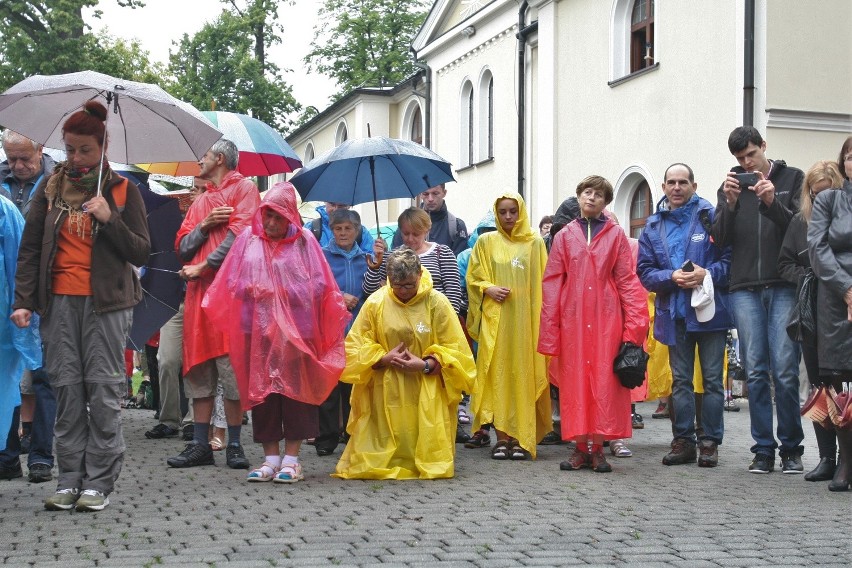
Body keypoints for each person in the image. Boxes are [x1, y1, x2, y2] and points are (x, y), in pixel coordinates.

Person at [11, 101, 151, 511]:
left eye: (84, 150)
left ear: (103, 148)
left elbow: (141, 252)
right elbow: (30, 249)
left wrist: (110, 218)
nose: (75, 158)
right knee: (67, 390)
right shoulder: (49, 189)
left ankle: (100, 482)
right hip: (58, 303)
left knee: (103, 391)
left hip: (107, 305)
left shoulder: (124, 191)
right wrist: (24, 301)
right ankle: (69, 479)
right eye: (69, 149)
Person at [203, 182, 350, 483]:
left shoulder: (305, 242)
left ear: (290, 217)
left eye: (278, 217)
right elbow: (230, 280)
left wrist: (281, 290)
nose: (270, 223)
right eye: (267, 215)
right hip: (256, 331)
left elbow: (321, 285)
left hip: (296, 332)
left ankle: (292, 459)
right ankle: (270, 457)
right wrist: (254, 288)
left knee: (295, 392)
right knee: (263, 391)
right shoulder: (247, 240)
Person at [711, 126, 805, 474]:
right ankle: (763, 450)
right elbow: (719, 239)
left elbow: (800, 228)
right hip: (745, 287)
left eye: (751, 154)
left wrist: (771, 201)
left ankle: (792, 449)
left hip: (783, 285)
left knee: (784, 370)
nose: (747, 163)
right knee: (755, 371)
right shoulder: (730, 187)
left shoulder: (793, 178)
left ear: (763, 146)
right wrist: (731, 205)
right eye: (740, 159)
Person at [334, 248, 475, 479]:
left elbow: (456, 348)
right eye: (396, 285)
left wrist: (427, 364)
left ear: (420, 275)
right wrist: (381, 358)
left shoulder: (437, 303)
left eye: (409, 285)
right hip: (385, 386)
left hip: (424, 386)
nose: (403, 291)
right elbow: (356, 343)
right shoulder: (377, 301)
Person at [539, 176, 648, 473]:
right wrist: (550, 330)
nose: (592, 198)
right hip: (572, 318)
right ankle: (578, 447)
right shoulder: (564, 237)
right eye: (587, 192)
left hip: (607, 319)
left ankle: (597, 447)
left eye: (599, 195)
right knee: (574, 382)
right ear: (578, 196)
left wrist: (635, 326)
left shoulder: (616, 236)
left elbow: (627, 280)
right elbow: (552, 282)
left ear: (606, 202)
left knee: (603, 381)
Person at [167, 139, 260, 470]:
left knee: (232, 373)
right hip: (198, 300)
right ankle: (200, 444)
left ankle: (234, 444)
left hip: (231, 297)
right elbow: (183, 247)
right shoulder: (202, 200)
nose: (199, 162)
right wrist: (205, 226)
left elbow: (241, 237)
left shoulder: (244, 189)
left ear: (219, 158)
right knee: (199, 373)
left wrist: (204, 267)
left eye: (204, 156)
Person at [638, 164, 733, 468]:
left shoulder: (711, 216)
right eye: (671, 182)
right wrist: (671, 276)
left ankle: (709, 442)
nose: (677, 187)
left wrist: (707, 274)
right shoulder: (652, 226)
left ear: (694, 184)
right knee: (681, 382)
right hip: (673, 313)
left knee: (714, 381)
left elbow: (731, 262)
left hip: (709, 313)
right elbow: (644, 272)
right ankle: (683, 441)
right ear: (663, 187)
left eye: (683, 182)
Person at [467, 192, 551, 461]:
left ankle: (521, 437)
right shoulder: (486, 242)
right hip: (498, 322)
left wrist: (542, 322)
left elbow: (542, 283)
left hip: (526, 323)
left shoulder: (535, 244)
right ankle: (502, 437)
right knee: (499, 376)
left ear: (521, 211)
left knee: (523, 375)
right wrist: (487, 288)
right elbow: (474, 277)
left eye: (512, 211)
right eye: (502, 212)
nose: (507, 217)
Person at [779, 159, 844, 482]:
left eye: (827, 193)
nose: (821, 200)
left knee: (841, 385)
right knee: (819, 387)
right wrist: (806, 276)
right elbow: (784, 263)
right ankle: (825, 458)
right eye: (815, 195)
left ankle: (846, 459)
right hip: (811, 311)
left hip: (841, 310)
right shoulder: (799, 222)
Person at [0, 130, 56, 484]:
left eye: (24, 158)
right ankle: (7, 455)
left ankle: (40, 456)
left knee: (44, 375)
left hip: (45, 289)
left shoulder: (57, 183)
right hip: (8, 291)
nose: (17, 166)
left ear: (40, 149)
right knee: (6, 377)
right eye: (11, 158)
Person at [807, 136, 852, 491]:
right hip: (836, 299)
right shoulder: (828, 199)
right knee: (840, 383)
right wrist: (847, 288)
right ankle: (845, 463)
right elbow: (818, 249)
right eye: (851, 157)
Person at [315, 208, 369, 456]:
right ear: (332, 231)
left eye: (349, 228)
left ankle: (351, 434)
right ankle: (325, 437)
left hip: (358, 330)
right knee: (328, 385)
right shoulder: (321, 257)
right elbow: (315, 288)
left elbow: (373, 292)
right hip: (330, 330)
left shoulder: (367, 259)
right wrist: (339, 297)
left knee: (352, 385)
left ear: (357, 231)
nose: (343, 233)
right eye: (338, 229)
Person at [391, 184, 469, 255]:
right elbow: (394, 259)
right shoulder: (407, 223)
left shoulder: (456, 226)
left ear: (444, 193)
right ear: (421, 194)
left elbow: (460, 265)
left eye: (435, 193)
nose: (430, 199)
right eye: (426, 194)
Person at [304, 201, 375, 253]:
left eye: (341, 206)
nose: (335, 209)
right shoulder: (311, 228)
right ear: (325, 202)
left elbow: (370, 261)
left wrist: (380, 254)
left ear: (348, 206)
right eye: (332, 204)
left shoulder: (360, 231)